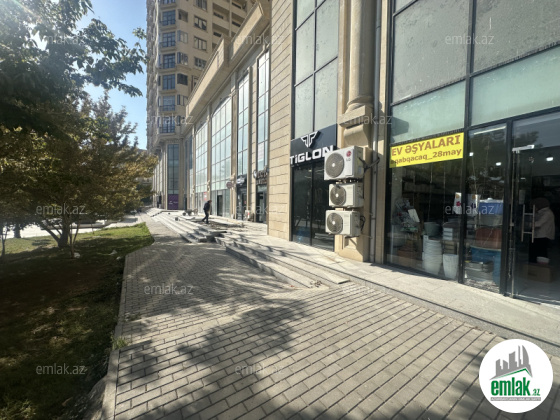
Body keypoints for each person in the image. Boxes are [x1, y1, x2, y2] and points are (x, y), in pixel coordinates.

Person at [529, 197, 555, 263]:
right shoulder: (543, 212)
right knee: (538, 252)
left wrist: (527, 224)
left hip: (543, 236)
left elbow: (538, 223)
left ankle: (540, 266)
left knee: (541, 253)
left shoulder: (547, 213)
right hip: (540, 235)